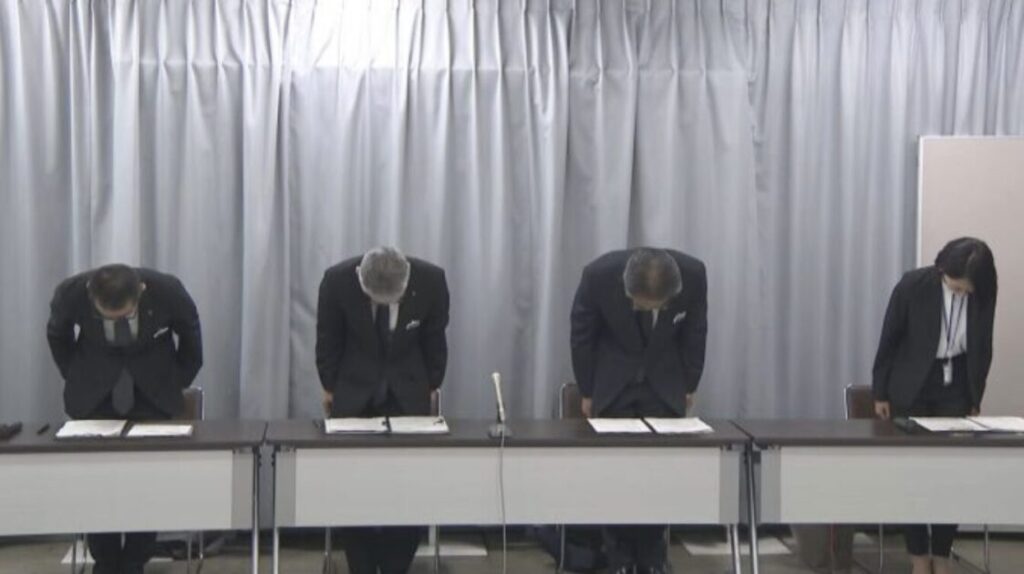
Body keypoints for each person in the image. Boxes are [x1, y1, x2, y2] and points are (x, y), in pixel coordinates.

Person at [47, 264, 203, 574]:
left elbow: (191, 338)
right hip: (93, 395)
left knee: (146, 484)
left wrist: (175, 382)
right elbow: (57, 335)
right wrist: (75, 375)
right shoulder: (71, 293)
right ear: (91, 297)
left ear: (141, 292)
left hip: (154, 394)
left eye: (125, 315)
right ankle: (105, 562)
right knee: (97, 485)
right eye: (107, 316)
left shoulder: (168, 291)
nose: (116, 322)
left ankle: (135, 561)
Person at [570, 247, 708, 574]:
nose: (646, 311)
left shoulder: (693, 275)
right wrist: (587, 391)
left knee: (658, 475)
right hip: (613, 383)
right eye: (640, 305)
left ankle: (652, 554)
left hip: (664, 383)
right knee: (616, 474)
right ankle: (619, 556)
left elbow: (696, 331)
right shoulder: (598, 275)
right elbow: (582, 335)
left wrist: (690, 384)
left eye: (654, 307)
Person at [316, 246, 449, 574]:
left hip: (408, 393)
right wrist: (330, 387)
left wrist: (432, 384)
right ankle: (361, 564)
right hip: (353, 393)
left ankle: (395, 565)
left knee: (409, 488)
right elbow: (328, 340)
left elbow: (435, 340)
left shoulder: (431, 281)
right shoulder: (336, 281)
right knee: (352, 489)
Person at [872, 237, 997, 574]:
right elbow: (889, 338)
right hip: (911, 384)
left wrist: (975, 395)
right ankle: (918, 557)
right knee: (912, 474)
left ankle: (942, 554)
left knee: (950, 474)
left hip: (956, 385)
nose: (961, 292)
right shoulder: (914, 284)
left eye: (967, 289)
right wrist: (881, 393)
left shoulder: (983, 291)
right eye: (956, 286)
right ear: (942, 269)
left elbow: (984, 345)